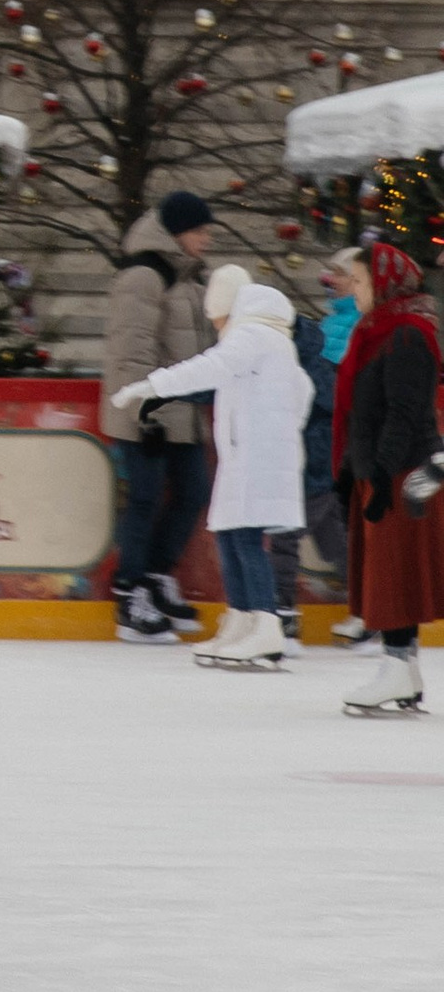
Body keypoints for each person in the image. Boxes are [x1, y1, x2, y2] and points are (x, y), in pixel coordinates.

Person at [113, 265, 310, 673]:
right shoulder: (272, 340)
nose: (215, 325)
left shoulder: (252, 334)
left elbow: (210, 367)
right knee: (231, 537)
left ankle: (265, 623)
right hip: (250, 458)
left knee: (246, 542)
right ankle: (242, 618)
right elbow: (301, 391)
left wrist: (153, 385)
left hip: (256, 461)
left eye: (215, 316)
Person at [332, 239, 444, 719]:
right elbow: (365, 411)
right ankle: (405, 671)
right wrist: (350, 471)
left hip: (402, 472)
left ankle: (397, 667)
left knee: (394, 578)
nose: (352, 290)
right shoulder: (379, 330)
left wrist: (380, 474)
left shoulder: (406, 334)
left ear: (383, 281)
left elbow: (405, 412)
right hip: (381, 469)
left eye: (359, 280)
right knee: (388, 575)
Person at [103, 191, 215, 642]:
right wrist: (145, 414)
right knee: (146, 499)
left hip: (183, 414)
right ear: (177, 232)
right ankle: (129, 593)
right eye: (199, 231)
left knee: (193, 492)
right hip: (146, 415)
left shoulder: (187, 279)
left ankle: (154, 575)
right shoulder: (144, 276)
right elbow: (132, 351)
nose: (205, 240)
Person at [294, 253, 362, 634]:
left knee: (313, 517)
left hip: (341, 436)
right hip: (323, 433)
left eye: (337, 274)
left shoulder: (359, 324)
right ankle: (366, 606)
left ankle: (272, 605)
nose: (328, 279)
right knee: (331, 523)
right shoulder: (331, 322)